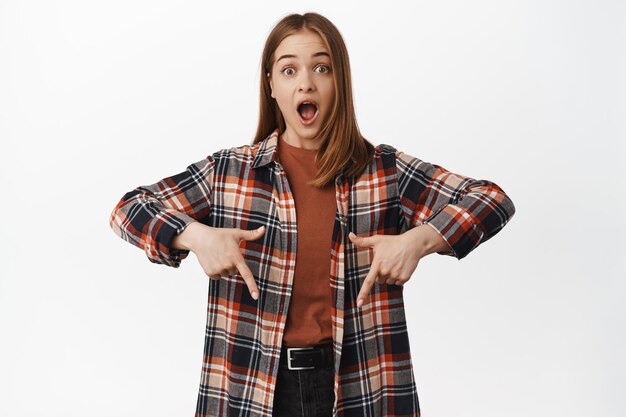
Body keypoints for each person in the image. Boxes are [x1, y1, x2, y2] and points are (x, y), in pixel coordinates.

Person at [108, 12, 516, 417]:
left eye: (322, 67)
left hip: (361, 385)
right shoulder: (229, 173)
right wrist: (194, 236)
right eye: (289, 70)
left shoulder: (383, 171)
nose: (305, 82)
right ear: (271, 85)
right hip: (251, 385)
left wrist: (419, 241)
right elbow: (128, 209)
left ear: (340, 81)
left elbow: (491, 199)